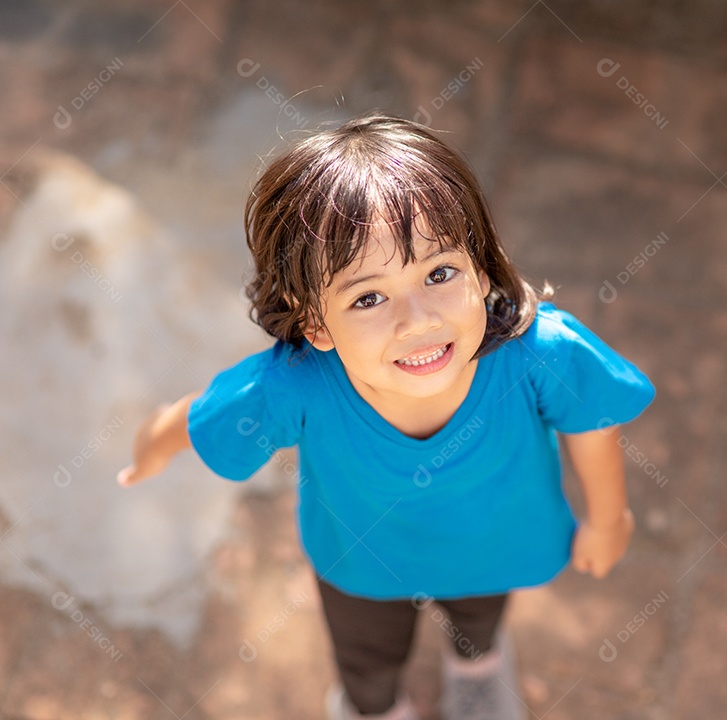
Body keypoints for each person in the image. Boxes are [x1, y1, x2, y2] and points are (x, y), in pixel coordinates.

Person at [117, 114, 654, 720]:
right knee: (366, 663)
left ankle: (475, 669)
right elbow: (195, 419)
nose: (418, 319)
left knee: (479, 622)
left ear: (480, 269)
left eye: (439, 273)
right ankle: (374, 708)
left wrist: (610, 518)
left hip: (493, 546)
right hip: (360, 564)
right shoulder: (293, 387)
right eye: (368, 297)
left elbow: (593, 422)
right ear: (316, 323)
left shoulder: (541, 355)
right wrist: (152, 447)